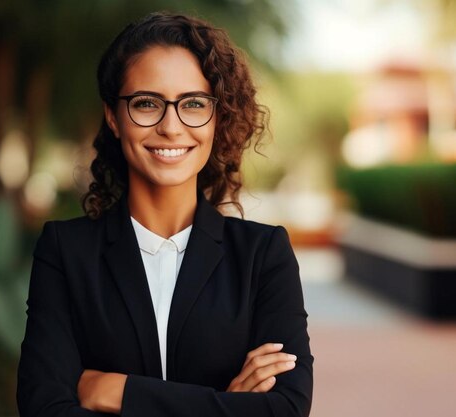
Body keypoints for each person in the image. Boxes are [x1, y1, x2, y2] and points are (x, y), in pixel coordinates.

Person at [17, 12, 313, 417]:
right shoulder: (65, 252)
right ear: (113, 117)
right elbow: (45, 408)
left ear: (217, 116)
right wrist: (229, 405)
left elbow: (287, 409)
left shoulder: (263, 255)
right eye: (146, 103)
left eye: (193, 104)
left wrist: (119, 392)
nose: (171, 127)